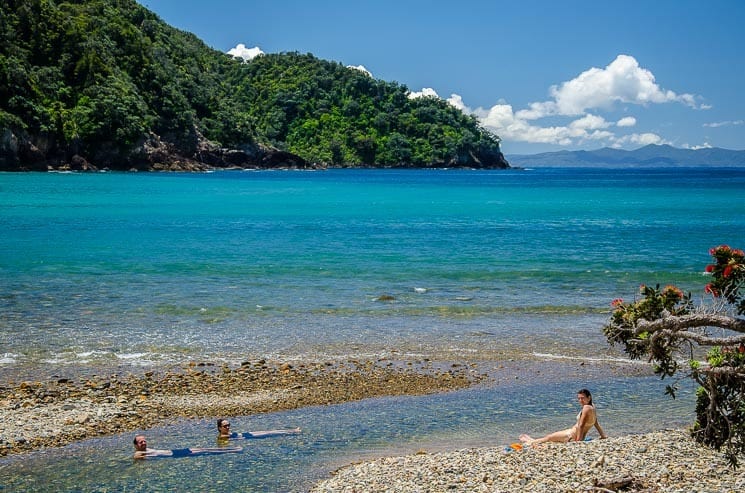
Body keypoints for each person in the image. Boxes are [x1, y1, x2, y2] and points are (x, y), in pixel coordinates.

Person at [519, 389, 608, 446]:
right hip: (575, 434)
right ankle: (533, 441)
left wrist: (578, 441)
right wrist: (603, 436)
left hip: (571, 435)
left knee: (548, 438)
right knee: (550, 439)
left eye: (583, 398)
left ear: (589, 397)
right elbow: (595, 423)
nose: (580, 401)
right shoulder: (592, 406)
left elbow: (581, 425)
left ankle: (530, 442)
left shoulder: (586, 408)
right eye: (579, 398)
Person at [133, 434, 242, 459]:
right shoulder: (138, 453)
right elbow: (137, 456)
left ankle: (231, 449)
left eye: (144, 441)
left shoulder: (146, 450)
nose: (143, 443)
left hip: (173, 452)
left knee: (202, 449)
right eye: (140, 442)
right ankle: (231, 451)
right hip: (173, 455)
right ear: (136, 445)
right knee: (203, 451)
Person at [216, 419, 301, 442]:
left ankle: (293, 430)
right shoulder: (223, 436)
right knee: (270, 433)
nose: (227, 427)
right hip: (248, 437)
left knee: (270, 431)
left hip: (246, 434)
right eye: (225, 426)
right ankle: (293, 432)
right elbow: (224, 442)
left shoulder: (226, 434)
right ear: (220, 428)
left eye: (228, 425)